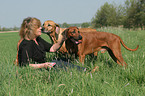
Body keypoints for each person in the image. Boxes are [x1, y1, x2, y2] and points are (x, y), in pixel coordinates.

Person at [18, 17, 86, 71]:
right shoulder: (26, 45)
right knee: (60, 65)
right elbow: (25, 65)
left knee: (62, 60)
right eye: (38, 27)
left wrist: (62, 39)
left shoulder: (37, 39)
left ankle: (84, 70)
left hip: (45, 65)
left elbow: (52, 48)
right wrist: (44, 65)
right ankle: (85, 71)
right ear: (31, 30)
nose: (41, 28)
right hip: (38, 70)